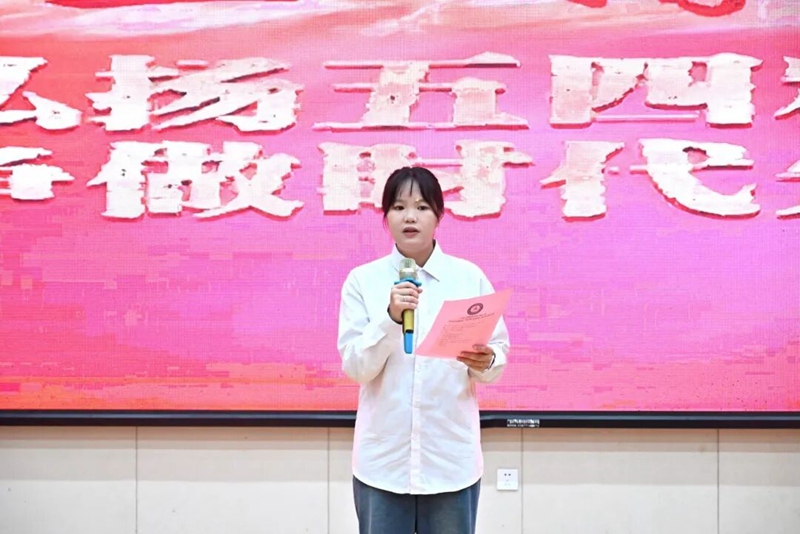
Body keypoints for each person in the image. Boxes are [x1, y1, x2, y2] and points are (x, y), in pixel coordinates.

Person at [337, 166, 510, 534]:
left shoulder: (468, 277)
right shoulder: (363, 281)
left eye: (421, 207)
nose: (410, 217)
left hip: (449, 460)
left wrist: (486, 360)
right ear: (386, 216)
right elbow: (356, 367)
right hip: (383, 463)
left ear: (439, 215)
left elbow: (497, 355)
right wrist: (390, 318)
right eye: (399, 207)